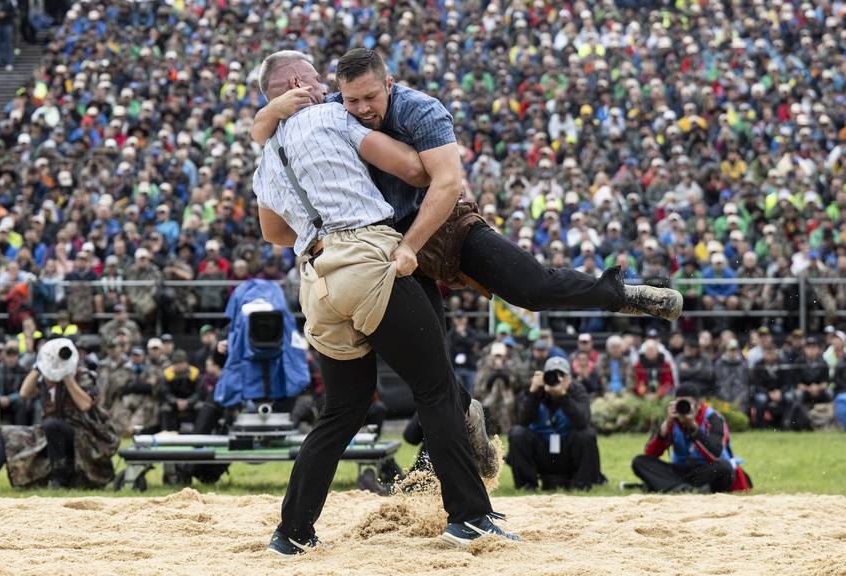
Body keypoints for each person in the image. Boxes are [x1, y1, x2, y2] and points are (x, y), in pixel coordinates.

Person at [252, 51, 517, 554]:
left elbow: (272, 231)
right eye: (314, 77)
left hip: (314, 279)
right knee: (435, 386)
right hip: (364, 259)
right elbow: (416, 172)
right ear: (293, 83)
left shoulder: (265, 157)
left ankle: (292, 532)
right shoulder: (332, 116)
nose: (327, 88)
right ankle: (469, 516)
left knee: (343, 410)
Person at [252, 47, 682, 323]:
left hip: (439, 224)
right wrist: (270, 112)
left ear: (389, 84)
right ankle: (460, 437)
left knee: (530, 288)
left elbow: (444, 184)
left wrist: (411, 246)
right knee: (427, 357)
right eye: (352, 101)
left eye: (371, 98)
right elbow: (262, 135)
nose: (362, 109)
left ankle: (620, 293)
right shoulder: (331, 109)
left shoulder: (422, 111)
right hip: (378, 242)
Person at [0, 338, 119, 491]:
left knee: (53, 424)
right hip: (49, 434)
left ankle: (59, 478)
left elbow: (85, 405)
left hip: (81, 436)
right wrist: (39, 367)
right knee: (6, 433)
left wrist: (67, 376)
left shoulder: (82, 375)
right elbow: (24, 393)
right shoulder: (46, 375)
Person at [631, 384, 751, 493]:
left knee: (724, 468)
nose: (684, 408)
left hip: (707, 470)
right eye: (680, 404)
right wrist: (667, 424)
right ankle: (684, 488)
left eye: (687, 404)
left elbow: (716, 454)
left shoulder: (713, 419)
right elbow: (650, 453)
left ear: (699, 404)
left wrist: (694, 428)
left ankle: (669, 486)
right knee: (640, 462)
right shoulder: (673, 419)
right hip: (681, 470)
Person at [507, 356, 603, 491]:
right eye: (552, 374)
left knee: (587, 434)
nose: (557, 378)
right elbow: (522, 421)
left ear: (569, 378)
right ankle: (527, 484)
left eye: (561, 375)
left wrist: (564, 396)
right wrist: (533, 393)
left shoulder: (577, 390)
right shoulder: (534, 390)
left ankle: (581, 484)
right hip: (542, 450)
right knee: (518, 433)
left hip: (567, 450)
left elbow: (583, 422)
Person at [0, 341, 30, 437]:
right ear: (5, 356)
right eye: (9, 355)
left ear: (18, 356)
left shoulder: (23, 371)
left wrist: (10, 398)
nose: (11, 359)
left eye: (14, 355)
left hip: (15, 400)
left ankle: (19, 435)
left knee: (21, 404)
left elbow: (24, 391)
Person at [160, 350, 202, 432]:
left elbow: (198, 393)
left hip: (191, 402)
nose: (179, 366)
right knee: (165, 408)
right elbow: (166, 393)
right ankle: (167, 434)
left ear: (186, 363)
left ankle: (199, 432)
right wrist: (176, 401)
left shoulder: (195, 373)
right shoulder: (167, 374)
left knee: (200, 407)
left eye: (182, 363)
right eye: (177, 364)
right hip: (174, 403)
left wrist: (188, 402)